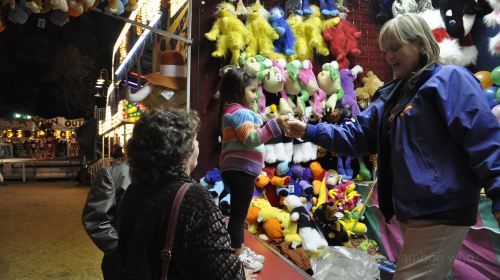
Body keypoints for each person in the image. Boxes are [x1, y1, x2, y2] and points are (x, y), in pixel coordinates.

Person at [286, 13, 500, 279]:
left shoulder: (449, 79)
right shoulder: (394, 94)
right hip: (416, 209)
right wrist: (308, 129)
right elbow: (356, 136)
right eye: (385, 50)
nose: (388, 56)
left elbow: (483, 138)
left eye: (395, 48)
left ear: (420, 44)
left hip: (441, 208)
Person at [116, 109, 252, 279]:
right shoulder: (195, 198)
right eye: (194, 140)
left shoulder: (133, 192)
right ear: (182, 152)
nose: (198, 144)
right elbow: (227, 275)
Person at [217, 67, 287, 272]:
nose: (256, 96)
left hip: (237, 169)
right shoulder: (239, 113)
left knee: (237, 213)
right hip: (241, 169)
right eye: (253, 91)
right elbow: (252, 139)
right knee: (239, 215)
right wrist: (275, 126)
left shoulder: (233, 112)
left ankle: (237, 249)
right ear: (239, 91)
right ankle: (237, 256)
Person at [82, 160, 131, 280]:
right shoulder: (112, 173)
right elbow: (96, 219)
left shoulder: (171, 171)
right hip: (122, 262)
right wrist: (120, 249)